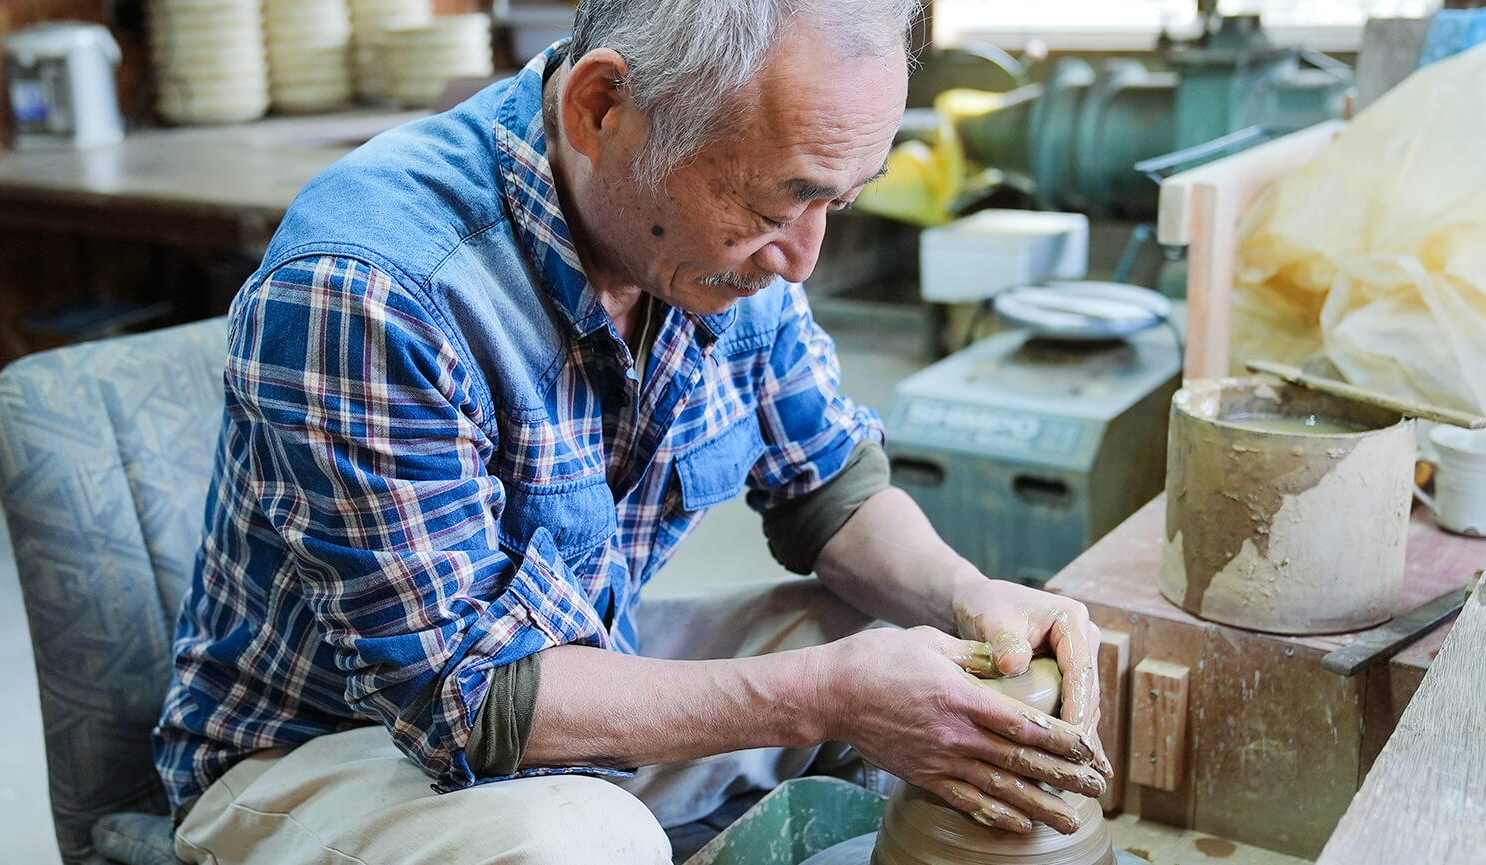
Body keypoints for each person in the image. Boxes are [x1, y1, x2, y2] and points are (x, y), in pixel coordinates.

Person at [155, 1, 1110, 862]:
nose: (802, 259)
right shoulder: (371, 290)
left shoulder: (727, 250)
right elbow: (463, 699)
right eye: (775, 204)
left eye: (836, 200)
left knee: (918, 646)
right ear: (602, 107)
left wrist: (970, 595)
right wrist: (828, 693)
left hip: (564, 669)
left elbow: (827, 485)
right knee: (591, 842)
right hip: (328, 751)